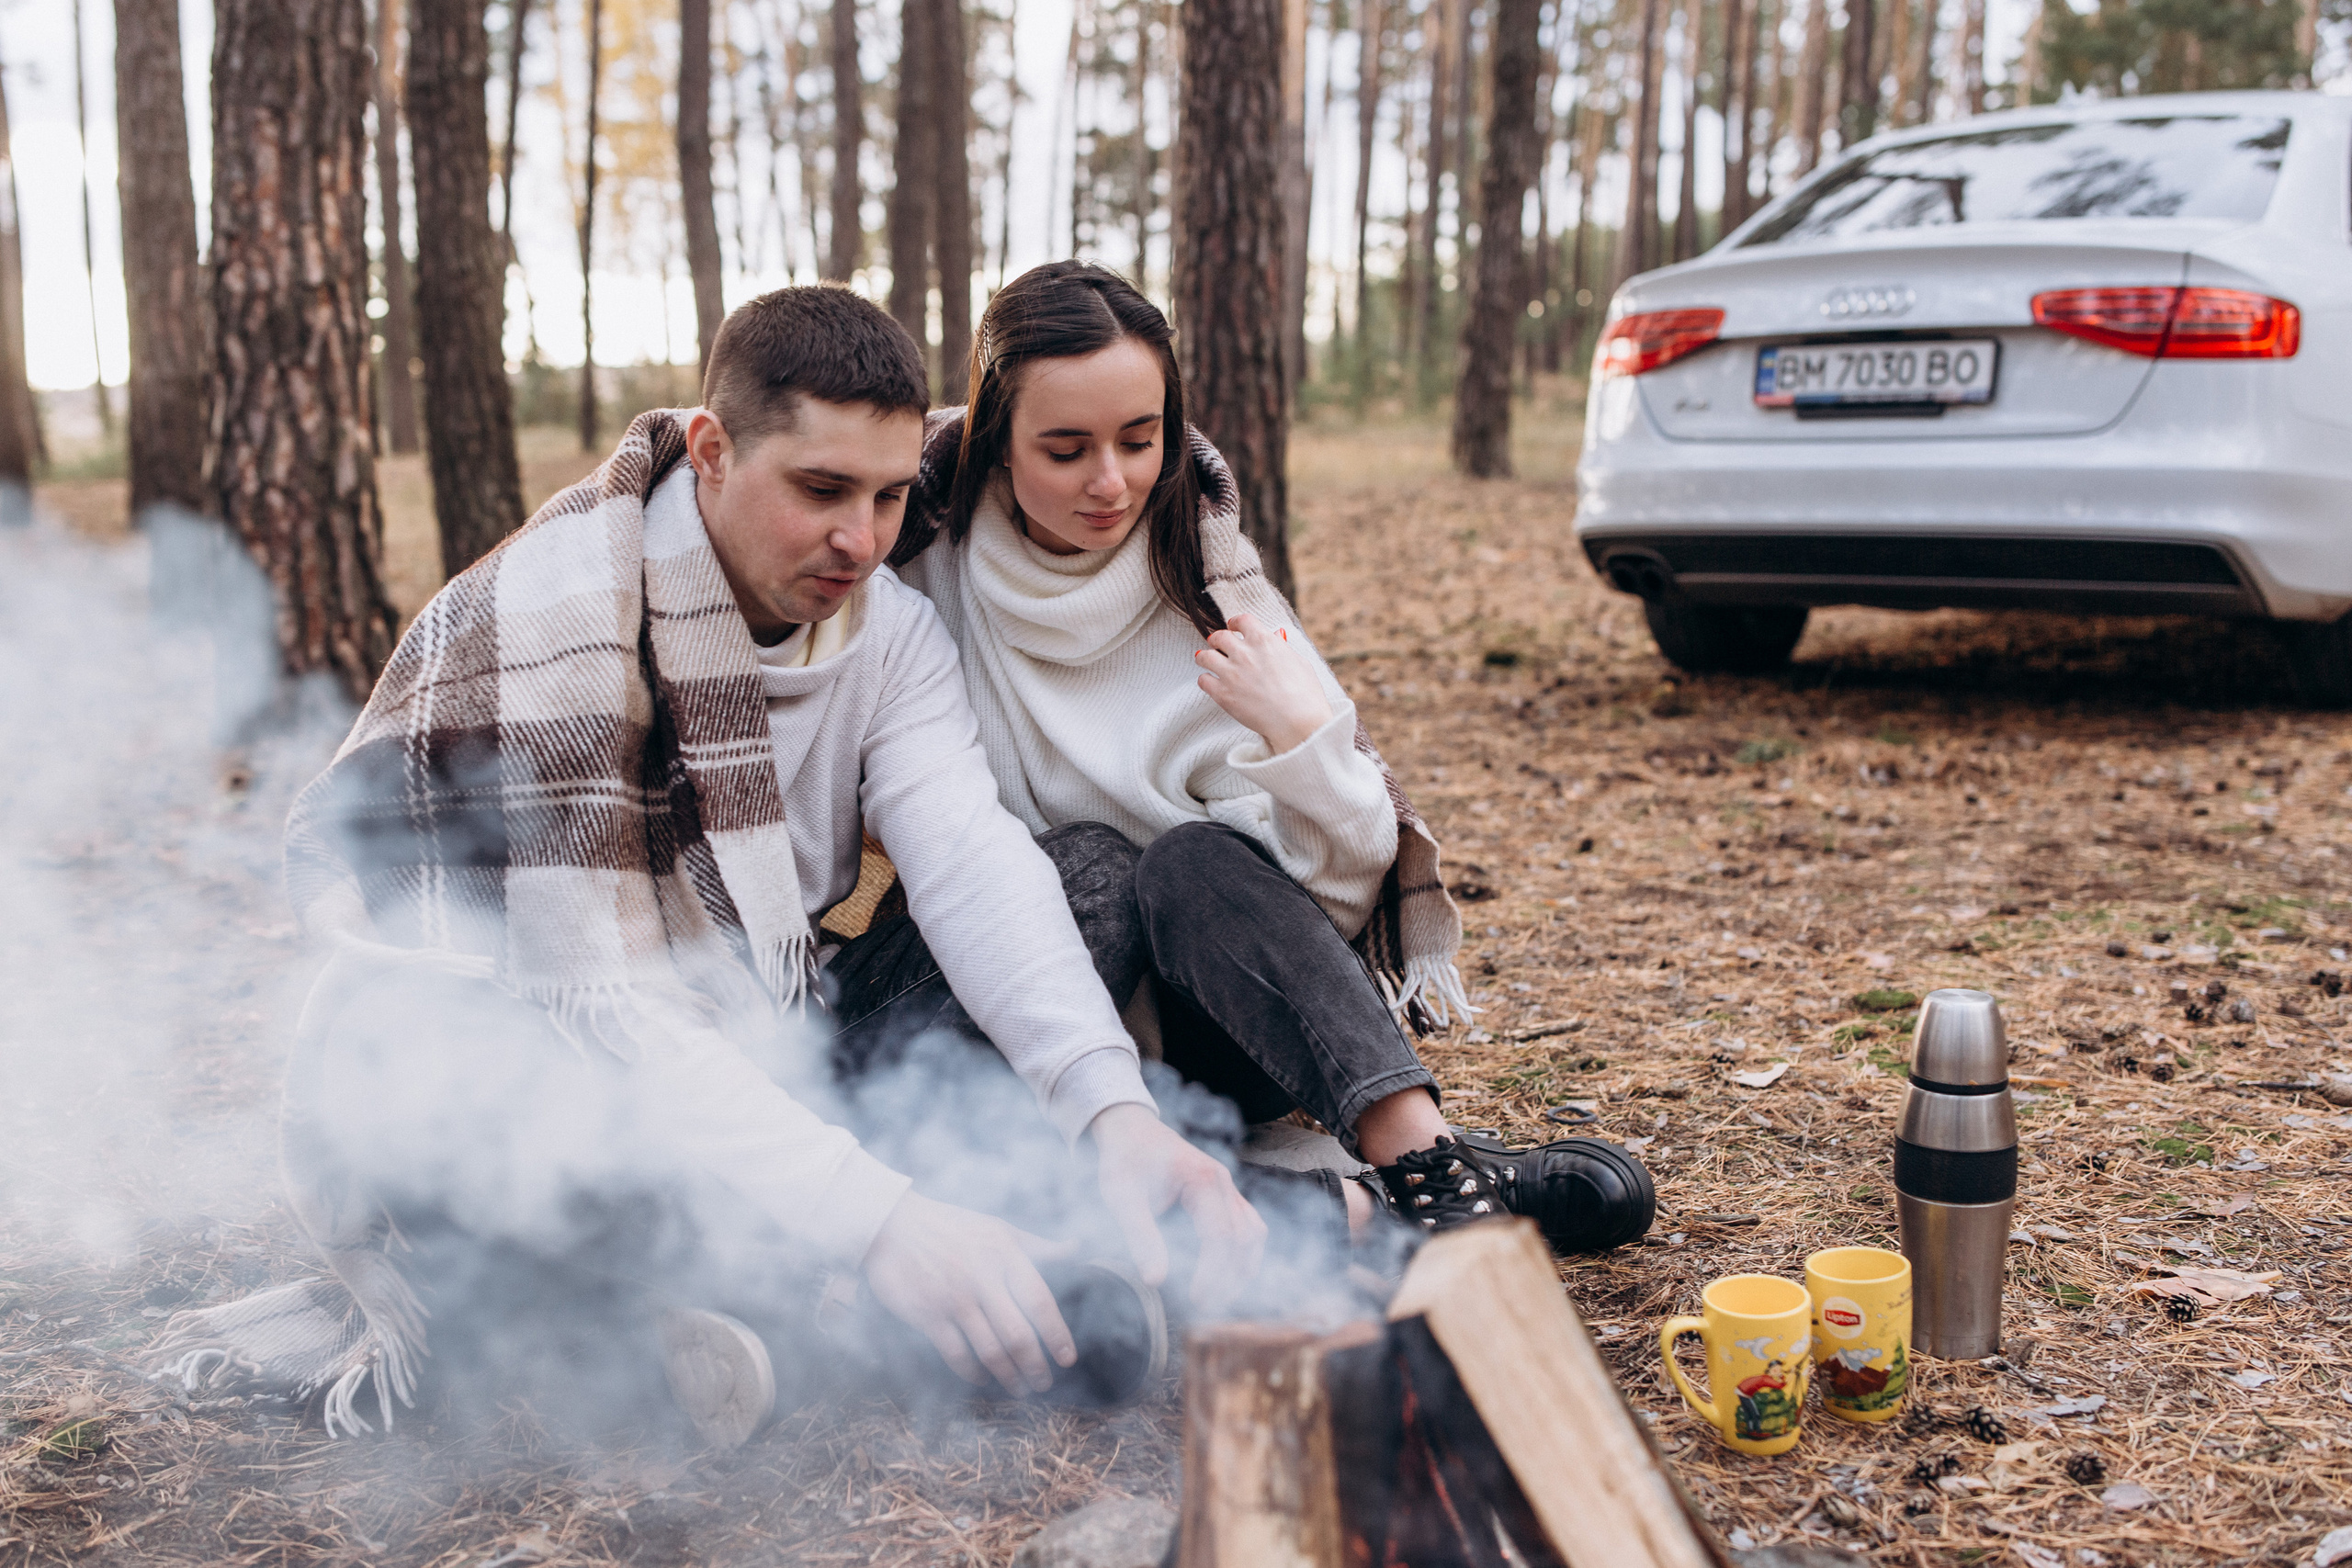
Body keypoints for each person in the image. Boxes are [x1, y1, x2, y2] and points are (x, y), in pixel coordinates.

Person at [149, 286, 1266, 1449]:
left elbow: (970, 863)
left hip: (756, 1037)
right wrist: (883, 1218)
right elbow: (610, 1011)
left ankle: (772, 1310)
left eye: (890, 496)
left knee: (1080, 875)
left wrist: (1111, 1113)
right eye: (822, 490)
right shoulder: (551, 626)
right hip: (524, 1061)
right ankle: (797, 1290)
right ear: (714, 450)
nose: (862, 541)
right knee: (510, 1095)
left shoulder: (887, 630)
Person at [887, 261, 1655, 1255]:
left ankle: (1430, 1169)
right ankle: (1344, 1213)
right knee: (1089, 866)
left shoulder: (1210, 590)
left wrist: (1302, 741)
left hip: (1216, 1037)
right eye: (1065, 449)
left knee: (1186, 860)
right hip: (1017, 1034)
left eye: (1139, 438)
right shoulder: (915, 569)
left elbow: (1333, 910)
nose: (1111, 482)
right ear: (994, 444)